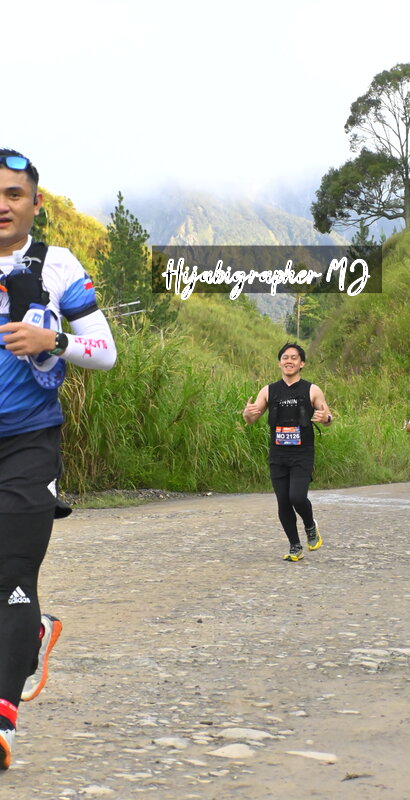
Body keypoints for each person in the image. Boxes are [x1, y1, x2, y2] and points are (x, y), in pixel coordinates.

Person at [0, 149, 117, 769]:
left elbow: (105, 352)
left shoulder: (57, 265)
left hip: (29, 441)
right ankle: (33, 636)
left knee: (13, 577)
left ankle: (3, 722)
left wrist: (54, 339)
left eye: (14, 194)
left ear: (35, 203)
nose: (2, 205)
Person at [243, 343, 332, 562]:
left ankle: (310, 525)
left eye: (294, 358)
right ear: (279, 362)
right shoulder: (268, 390)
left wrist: (326, 418)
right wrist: (247, 413)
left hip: (302, 453)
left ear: (302, 364)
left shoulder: (312, 390)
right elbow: (252, 418)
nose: (289, 361)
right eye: (285, 357)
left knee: (297, 497)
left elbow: (327, 417)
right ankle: (295, 546)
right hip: (278, 454)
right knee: (283, 502)